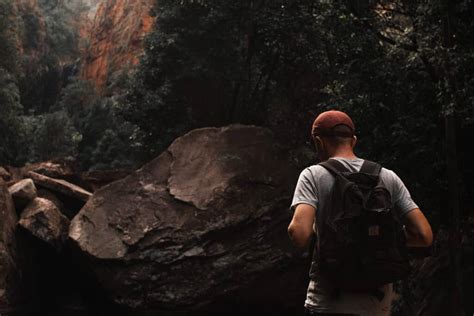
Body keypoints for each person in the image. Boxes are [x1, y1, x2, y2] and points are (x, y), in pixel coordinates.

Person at [287, 110, 433, 316]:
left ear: (318, 142)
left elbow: (299, 234)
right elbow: (424, 235)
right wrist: (379, 237)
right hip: (377, 306)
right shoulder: (387, 177)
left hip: (328, 304)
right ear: (353, 140)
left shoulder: (313, 175)